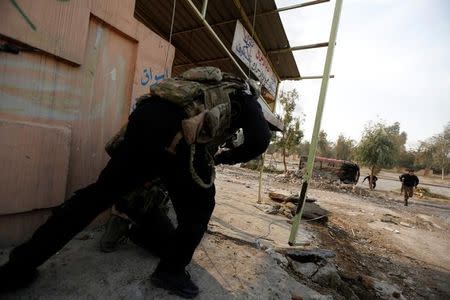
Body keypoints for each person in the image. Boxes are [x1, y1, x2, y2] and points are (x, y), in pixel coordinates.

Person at [0, 67, 272, 298]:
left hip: (142, 120)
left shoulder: (200, 84)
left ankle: (19, 266)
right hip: (178, 136)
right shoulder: (245, 97)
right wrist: (226, 157)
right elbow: (259, 140)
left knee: (96, 196)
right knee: (200, 208)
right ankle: (170, 272)